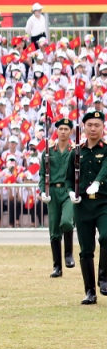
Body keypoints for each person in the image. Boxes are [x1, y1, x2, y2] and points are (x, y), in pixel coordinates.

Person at [69, 110, 107, 305]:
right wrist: (70, 192)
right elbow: (68, 178)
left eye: (97, 125)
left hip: (103, 202)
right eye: (90, 125)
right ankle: (90, 291)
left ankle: (104, 278)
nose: (93, 128)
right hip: (82, 204)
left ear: (103, 127)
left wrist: (98, 182)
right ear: (84, 127)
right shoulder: (76, 151)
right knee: (86, 249)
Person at [38, 119, 75, 277]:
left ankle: (68, 254)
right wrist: (42, 191)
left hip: (68, 191)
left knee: (66, 222)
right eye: (60, 128)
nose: (63, 131)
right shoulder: (48, 151)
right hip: (52, 191)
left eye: (66, 128)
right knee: (54, 230)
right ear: (57, 131)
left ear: (71, 131)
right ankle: (57, 266)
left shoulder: (74, 150)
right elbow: (41, 174)